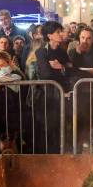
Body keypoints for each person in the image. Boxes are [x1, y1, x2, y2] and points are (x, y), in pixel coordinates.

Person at [35, 21, 74, 153]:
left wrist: (61, 68)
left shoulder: (62, 52)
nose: (61, 34)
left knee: (61, 126)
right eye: (58, 32)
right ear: (49, 35)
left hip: (62, 95)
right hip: (48, 97)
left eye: (61, 31)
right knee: (49, 127)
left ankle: (61, 153)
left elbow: (71, 71)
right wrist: (62, 70)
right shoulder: (41, 52)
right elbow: (46, 74)